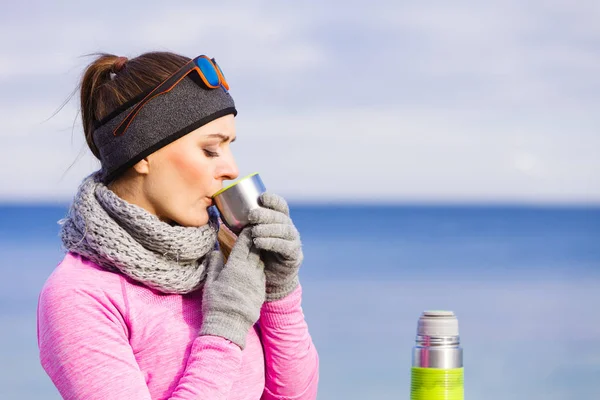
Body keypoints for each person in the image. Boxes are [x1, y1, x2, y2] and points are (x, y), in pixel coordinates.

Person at [36, 51, 319, 399]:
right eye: (211, 150)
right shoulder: (78, 296)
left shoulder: (222, 264)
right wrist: (226, 324)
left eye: (229, 148)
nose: (231, 168)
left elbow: (295, 395)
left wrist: (280, 292)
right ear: (143, 153)